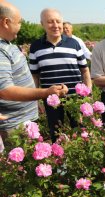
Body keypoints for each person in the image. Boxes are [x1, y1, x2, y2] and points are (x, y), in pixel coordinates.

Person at [0, 1, 68, 151]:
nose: (21, 26)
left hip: (22, 121)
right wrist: (45, 92)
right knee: (20, 171)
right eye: (18, 22)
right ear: (6, 22)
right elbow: (5, 90)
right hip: (14, 126)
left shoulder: (6, 45)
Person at [29, 8, 92, 143]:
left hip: (75, 98)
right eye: (50, 22)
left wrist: (88, 94)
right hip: (51, 99)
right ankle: (60, 163)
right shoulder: (35, 47)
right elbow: (35, 76)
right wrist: (36, 99)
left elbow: (85, 71)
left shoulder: (73, 43)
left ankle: (81, 159)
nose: (55, 25)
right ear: (42, 24)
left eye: (58, 21)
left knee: (81, 130)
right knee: (56, 132)